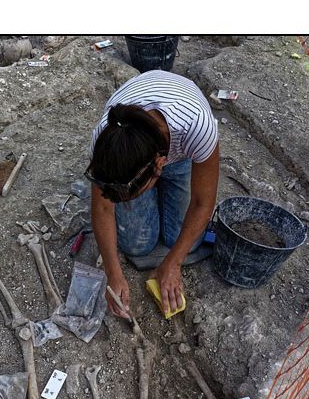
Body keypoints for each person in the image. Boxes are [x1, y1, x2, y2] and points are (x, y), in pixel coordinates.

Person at [86, 70, 219, 318]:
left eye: (129, 195)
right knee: (136, 245)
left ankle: (165, 183)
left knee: (182, 240)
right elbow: (103, 207)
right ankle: (147, 194)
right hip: (140, 156)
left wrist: (173, 262)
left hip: (182, 151)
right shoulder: (108, 138)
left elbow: (203, 202)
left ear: (158, 167)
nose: (123, 203)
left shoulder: (197, 127)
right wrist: (113, 274)